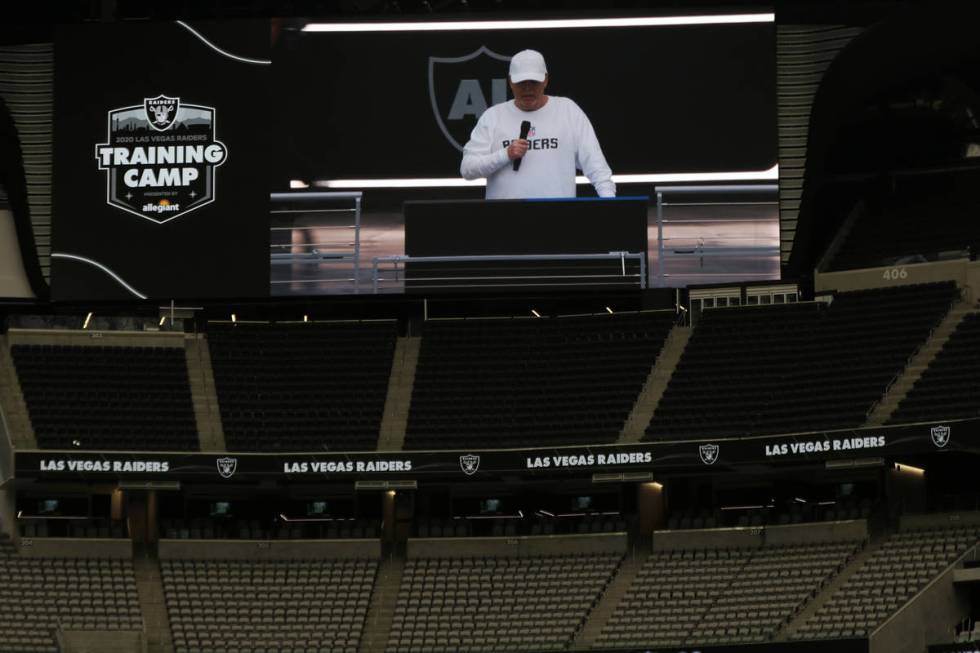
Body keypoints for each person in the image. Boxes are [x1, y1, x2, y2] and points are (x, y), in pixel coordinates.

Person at [460, 49, 615, 200]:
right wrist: (505, 154)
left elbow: (597, 167)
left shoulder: (568, 111)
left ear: (545, 80)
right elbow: (467, 169)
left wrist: (610, 205)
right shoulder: (493, 116)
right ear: (510, 82)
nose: (527, 89)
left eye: (534, 82)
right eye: (521, 82)